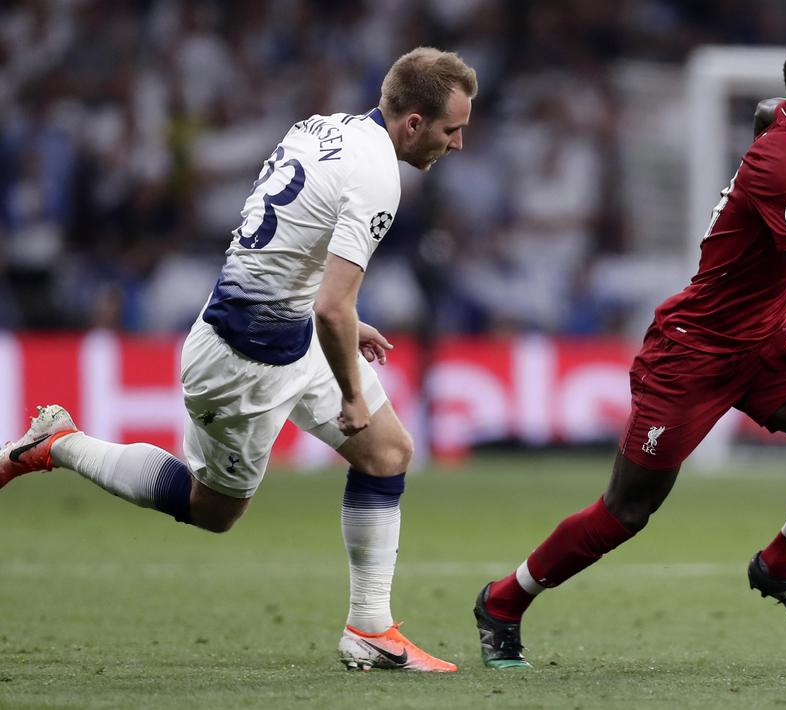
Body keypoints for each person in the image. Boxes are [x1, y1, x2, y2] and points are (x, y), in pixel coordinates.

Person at [472, 37, 786, 668]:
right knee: (627, 511)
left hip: (764, 339)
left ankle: (779, 564)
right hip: (693, 353)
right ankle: (502, 602)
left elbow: (768, 110)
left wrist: (762, 136)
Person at [0, 47, 476, 673]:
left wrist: (343, 321)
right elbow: (333, 306)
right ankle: (59, 442)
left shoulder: (321, 127)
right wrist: (352, 391)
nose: (459, 144)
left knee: (388, 452)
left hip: (287, 331)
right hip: (243, 360)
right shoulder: (379, 176)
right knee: (213, 510)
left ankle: (370, 629)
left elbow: (288, 245)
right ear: (413, 123)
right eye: (452, 129)